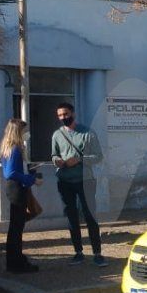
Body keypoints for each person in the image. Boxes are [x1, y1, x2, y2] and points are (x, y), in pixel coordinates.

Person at [51, 102, 105, 267]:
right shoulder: (57, 135)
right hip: (65, 181)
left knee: (90, 216)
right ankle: (78, 252)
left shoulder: (88, 133)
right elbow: (53, 155)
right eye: (60, 115)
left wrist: (80, 159)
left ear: (73, 113)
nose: (63, 118)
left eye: (66, 114)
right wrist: (57, 161)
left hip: (85, 180)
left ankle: (97, 253)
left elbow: (98, 156)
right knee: (71, 217)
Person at [0, 119, 41, 273]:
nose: (26, 134)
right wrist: (32, 179)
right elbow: (10, 172)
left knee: (16, 227)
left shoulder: (10, 147)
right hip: (16, 188)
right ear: (18, 132)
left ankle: (15, 260)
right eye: (24, 131)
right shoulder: (14, 149)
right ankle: (16, 263)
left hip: (15, 188)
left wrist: (30, 172)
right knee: (16, 227)